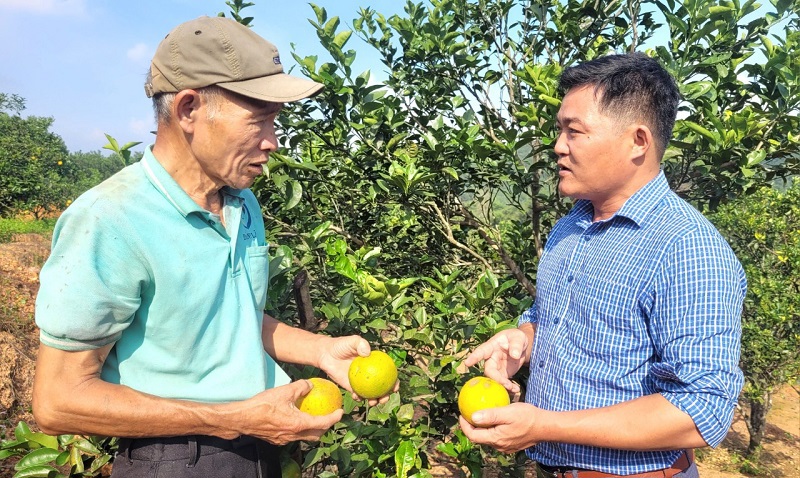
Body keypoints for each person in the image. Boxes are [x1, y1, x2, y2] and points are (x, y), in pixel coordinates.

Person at [32, 16, 394, 478]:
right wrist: (231, 419)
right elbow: (58, 400)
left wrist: (320, 350)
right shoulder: (110, 219)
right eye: (259, 120)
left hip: (259, 443)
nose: (273, 142)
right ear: (188, 109)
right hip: (176, 458)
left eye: (276, 122)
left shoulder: (242, 203)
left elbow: (227, 318)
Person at [461, 53, 746, 478]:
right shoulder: (570, 226)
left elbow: (701, 410)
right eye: (560, 130)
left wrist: (543, 425)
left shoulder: (687, 249)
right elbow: (553, 318)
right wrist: (521, 338)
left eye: (573, 131)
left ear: (637, 141)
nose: (558, 145)